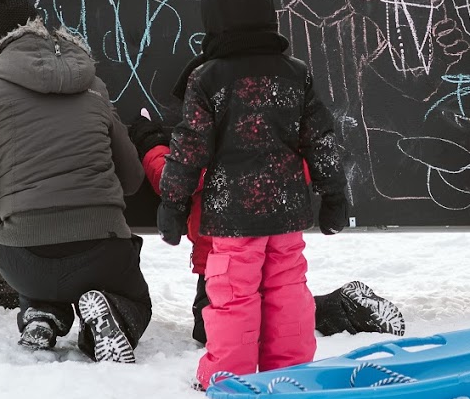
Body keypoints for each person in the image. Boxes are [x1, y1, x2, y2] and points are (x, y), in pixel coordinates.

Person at [158, 0, 348, 390]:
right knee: (287, 291)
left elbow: (188, 148)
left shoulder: (208, 79)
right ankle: (290, 374)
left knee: (232, 296)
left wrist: (172, 204)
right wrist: (334, 196)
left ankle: (229, 378)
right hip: (285, 210)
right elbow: (320, 138)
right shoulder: (295, 74)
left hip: (232, 215)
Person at [0, 0, 151, 363]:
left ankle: (40, 312)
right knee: (133, 298)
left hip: (24, 256)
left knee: (33, 256)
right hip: (103, 251)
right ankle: (111, 316)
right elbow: (131, 180)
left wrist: (8, 210)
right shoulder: (93, 87)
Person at [130, 123, 405, 344]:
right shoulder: (274, 125)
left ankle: (334, 307)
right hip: (270, 250)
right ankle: (339, 306)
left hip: (221, 260)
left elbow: (170, 178)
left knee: (213, 327)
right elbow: (306, 167)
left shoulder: (208, 134)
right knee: (274, 307)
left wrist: (150, 142)